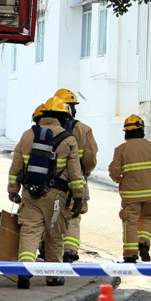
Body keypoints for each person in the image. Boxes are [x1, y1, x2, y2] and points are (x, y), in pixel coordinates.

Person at [7, 97, 85, 288]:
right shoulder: (68, 140)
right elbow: (76, 175)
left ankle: (24, 269)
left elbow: (16, 168)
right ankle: (53, 276)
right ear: (62, 117)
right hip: (57, 196)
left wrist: (13, 190)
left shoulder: (27, 136)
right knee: (54, 235)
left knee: (30, 231)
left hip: (30, 193)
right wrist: (79, 198)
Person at [108, 114, 151, 263]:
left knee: (130, 222)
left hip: (130, 196)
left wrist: (118, 179)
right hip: (150, 194)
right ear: (142, 130)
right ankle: (143, 242)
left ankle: (130, 254)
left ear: (126, 132)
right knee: (147, 218)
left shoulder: (121, 149)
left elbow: (114, 172)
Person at [54, 88, 98, 263]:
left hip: (51, 179)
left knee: (50, 213)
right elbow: (90, 157)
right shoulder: (83, 129)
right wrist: (86, 170)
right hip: (76, 179)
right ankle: (70, 249)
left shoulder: (44, 128)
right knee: (73, 213)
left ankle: (47, 247)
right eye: (74, 106)